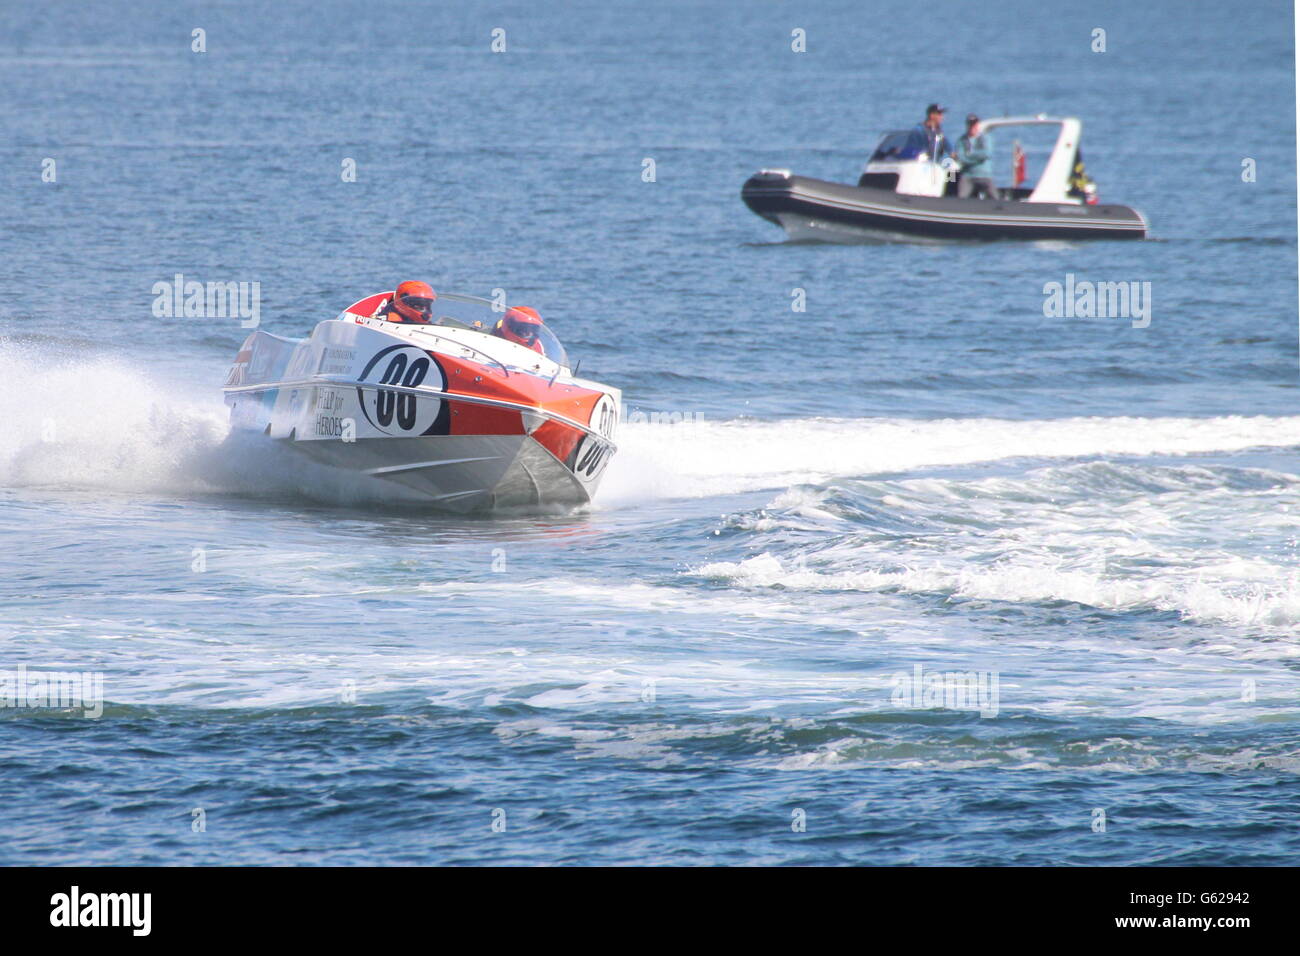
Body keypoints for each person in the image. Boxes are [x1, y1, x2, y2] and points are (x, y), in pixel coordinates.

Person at [956, 114, 997, 199]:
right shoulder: (962, 140)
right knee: (961, 197)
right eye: (970, 124)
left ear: (977, 125)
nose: (972, 127)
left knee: (995, 198)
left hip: (984, 175)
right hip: (968, 175)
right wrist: (977, 160)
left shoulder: (985, 138)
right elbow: (961, 157)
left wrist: (969, 155)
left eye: (974, 124)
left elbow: (986, 153)